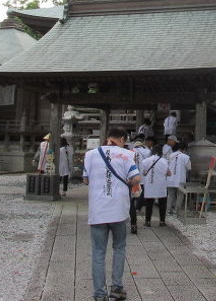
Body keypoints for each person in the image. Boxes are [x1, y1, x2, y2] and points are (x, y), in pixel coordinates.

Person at [83, 127, 140, 301]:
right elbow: (136, 178)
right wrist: (129, 183)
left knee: (98, 252)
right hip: (119, 211)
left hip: (98, 211)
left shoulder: (91, 154)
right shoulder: (126, 155)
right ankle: (117, 289)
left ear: (108, 138)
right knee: (119, 248)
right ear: (122, 139)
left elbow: (85, 179)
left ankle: (100, 294)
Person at [140, 144, 170, 227]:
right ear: (161, 152)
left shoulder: (146, 161)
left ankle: (148, 221)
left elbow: (143, 172)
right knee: (162, 203)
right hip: (161, 184)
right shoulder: (164, 161)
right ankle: (162, 221)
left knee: (149, 203)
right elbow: (168, 173)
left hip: (150, 184)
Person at [166, 142, 191, 215]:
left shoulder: (170, 155)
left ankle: (168, 210)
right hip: (180, 179)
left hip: (170, 179)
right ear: (184, 149)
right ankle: (177, 211)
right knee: (180, 194)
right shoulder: (185, 157)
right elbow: (189, 168)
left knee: (170, 195)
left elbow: (166, 165)